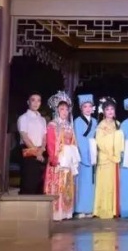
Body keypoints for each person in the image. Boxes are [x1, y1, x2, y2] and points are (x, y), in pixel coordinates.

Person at [44, 91, 80, 221]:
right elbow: (51, 143)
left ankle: (66, 212)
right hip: (58, 158)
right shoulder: (53, 125)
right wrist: (54, 158)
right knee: (57, 184)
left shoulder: (69, 125)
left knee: (67, 185)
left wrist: (73, 157)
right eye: (62, 109)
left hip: (68, 158)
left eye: (66, 109)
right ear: (57, 110)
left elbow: (73, 142)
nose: (64, 112)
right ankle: (56, 212)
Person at [94, 97, 125, 219]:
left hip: (115, 160)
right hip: (106, 158)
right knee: (105, 185)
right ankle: (103, 209)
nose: (110, 111)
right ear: (104, 111)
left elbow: (121, 142)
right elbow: (100, 142)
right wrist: (111, 153)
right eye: (107, 109)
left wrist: (117, 153)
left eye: (112, 109)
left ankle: (114, 209)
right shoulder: (101, 125)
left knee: (114, 185)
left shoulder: (118, 124)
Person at [17, 92, 47, 194]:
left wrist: (41, 149)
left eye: (38, 100)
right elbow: (24, 137)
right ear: (28, 102)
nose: (36, 103)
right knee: (28, 181)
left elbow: (44, 136)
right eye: (33, 100)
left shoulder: (42, 119)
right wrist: (36, 152)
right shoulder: (23, 118)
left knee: (39, 182)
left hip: (40, 152)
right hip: (29, 151)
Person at [73, 93, 97, 218]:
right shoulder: (77, 121)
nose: (88, 109)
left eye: (89, 106)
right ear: (81, 108)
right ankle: (79, 209)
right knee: (81, 183)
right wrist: (84, 155)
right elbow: (78, 139)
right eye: (85, 107)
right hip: (82, 155)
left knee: (91, 183)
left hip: (93, 153)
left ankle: (89, 209)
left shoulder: (95, 121)